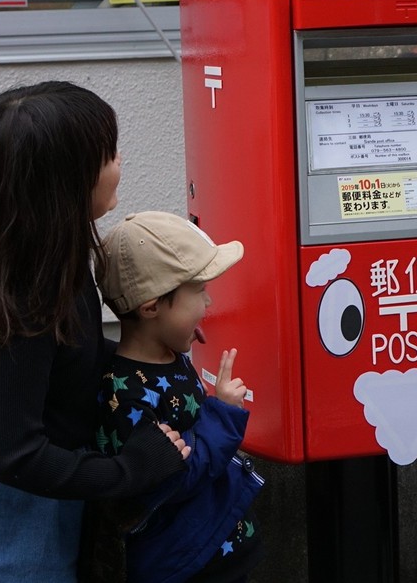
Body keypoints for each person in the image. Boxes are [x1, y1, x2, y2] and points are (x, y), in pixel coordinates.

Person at [0, 81, 189, 582]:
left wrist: (150, 347)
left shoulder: (45, 252)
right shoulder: (23, 296)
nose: (119, 162)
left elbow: (68, 359)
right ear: (62, 182)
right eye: (108, 154)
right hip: (6, 508)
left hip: (36, 489)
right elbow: (14, 454)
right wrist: (133, 469)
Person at [96, 211, 264, 583]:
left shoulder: (167, 354)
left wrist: (180, 336)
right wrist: (222, 413)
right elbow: (173, 475)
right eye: (199, 290)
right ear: (152, 307)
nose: (207, 302)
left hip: (212, 547)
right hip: (188, 564)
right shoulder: (125, 396)